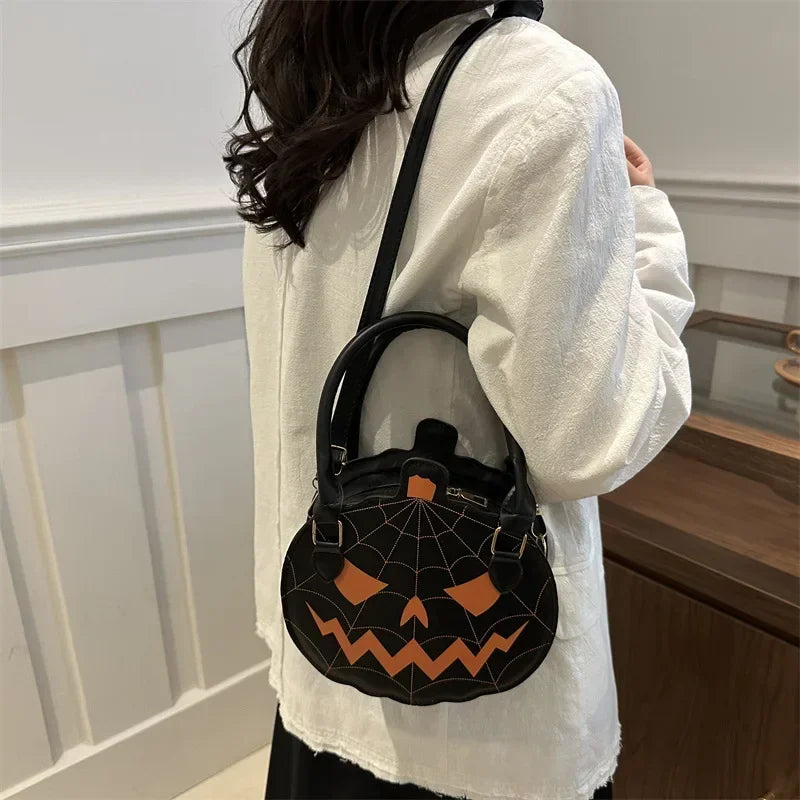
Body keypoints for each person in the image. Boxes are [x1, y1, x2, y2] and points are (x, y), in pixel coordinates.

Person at [225, 1, 694, 798]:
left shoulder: (311, 86)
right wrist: (646, 225)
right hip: (478, 719)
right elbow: (589, 439)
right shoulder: (538, 88)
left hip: (329, 628)